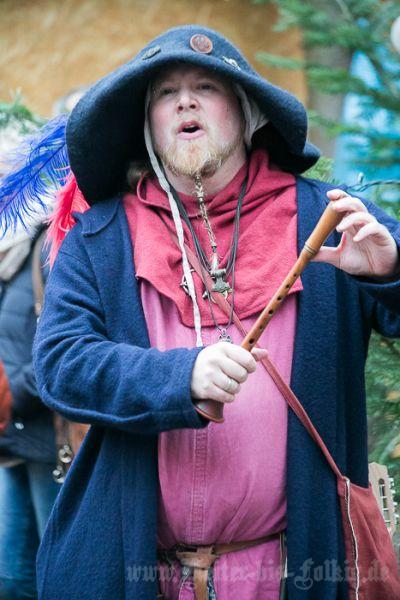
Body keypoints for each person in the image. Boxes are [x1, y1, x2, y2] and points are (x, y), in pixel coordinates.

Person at [3, 25, 399, 599]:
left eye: (206, 87)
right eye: (166, 93)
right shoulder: (101, 236)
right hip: (137, 574)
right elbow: (61, 365)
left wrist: (390, 274)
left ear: (247, 112)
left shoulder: (330, 216)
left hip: (290, 573)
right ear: (148, 124)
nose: (185, 101)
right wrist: (178, 376)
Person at [0, 219, 60, 600]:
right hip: (12, 441)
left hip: (50, 445)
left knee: (54, 575)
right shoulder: (11, 257)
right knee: (10, 578)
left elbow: (63, 352)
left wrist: (11, 393)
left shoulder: (49, 248)